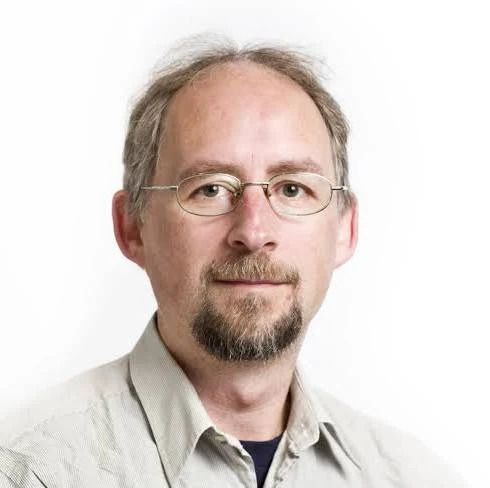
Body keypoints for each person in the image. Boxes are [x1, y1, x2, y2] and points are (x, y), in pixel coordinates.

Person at [0, 37, 466, 488]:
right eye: (210, 189)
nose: (253, 232)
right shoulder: (30, 472)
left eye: (292, 188)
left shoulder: (414, 479)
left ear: (345, 228)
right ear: (133, 227)